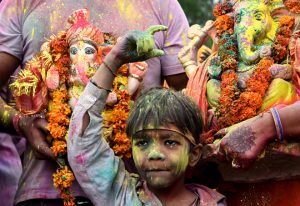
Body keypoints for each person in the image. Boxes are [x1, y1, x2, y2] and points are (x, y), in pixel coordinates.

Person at [0, 0, 189, 205]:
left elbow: (190, 98)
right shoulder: (21, 3)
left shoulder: (162, 5)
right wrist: (20, 122)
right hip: (47, 194)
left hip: (136, 195)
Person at [67, 25, 226, 206]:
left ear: (194, 154)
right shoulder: (122, 195)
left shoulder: (213, 203)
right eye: (142, 142)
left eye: (170, 142)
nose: (154, 153)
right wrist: (114, 59)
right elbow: (83, 142)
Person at [179, 0, 300, 205]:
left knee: (280, 88)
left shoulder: (292, 28)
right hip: (232, 186)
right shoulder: (232, 17)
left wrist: (267, 126)